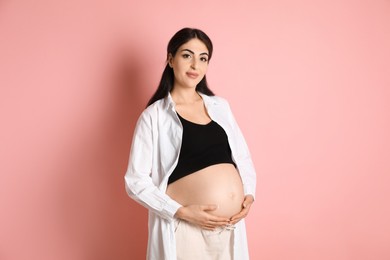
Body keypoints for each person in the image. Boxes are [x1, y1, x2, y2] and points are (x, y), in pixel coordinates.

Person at [124, 27, 257, 260]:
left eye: (203, 58)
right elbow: (135, 181)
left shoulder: (220, 107)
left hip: (230, 229)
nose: (195, 65)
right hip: (186, 230)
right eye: (187, 55)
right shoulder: (154, 117)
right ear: (170, 59)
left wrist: (248, 195)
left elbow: (242, 159)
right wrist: (181, 212)